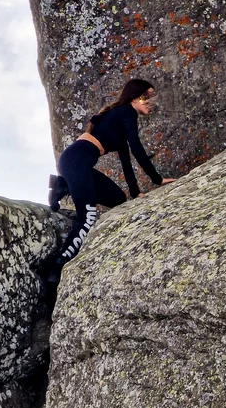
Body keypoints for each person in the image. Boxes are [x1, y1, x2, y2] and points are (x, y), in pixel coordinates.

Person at [47, 78, 174, 282]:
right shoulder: (127, 112)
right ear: (134, 97)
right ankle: (58, 265)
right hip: (75, 161)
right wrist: (157, 180)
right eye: (146, 96)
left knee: (118, 199)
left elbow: (126, 159)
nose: (151, 101)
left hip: (76, 162)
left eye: (152, 96)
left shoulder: (120, 120)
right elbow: (137, 148)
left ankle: (62, 185)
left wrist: (135, 193)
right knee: (87, 218)